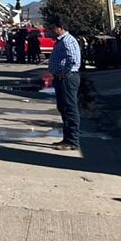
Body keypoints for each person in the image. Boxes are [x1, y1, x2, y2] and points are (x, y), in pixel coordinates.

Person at [47, 18, 81, 151]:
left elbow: (72, 59)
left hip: (67, 78)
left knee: (70, 108)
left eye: (53, 28)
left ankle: (73, 141)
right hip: (61, 78)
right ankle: (67, 139)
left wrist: (64, 72)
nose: (52, 31)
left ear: (60, 28)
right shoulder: (61, 41)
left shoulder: (67, 40)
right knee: (63, 108)